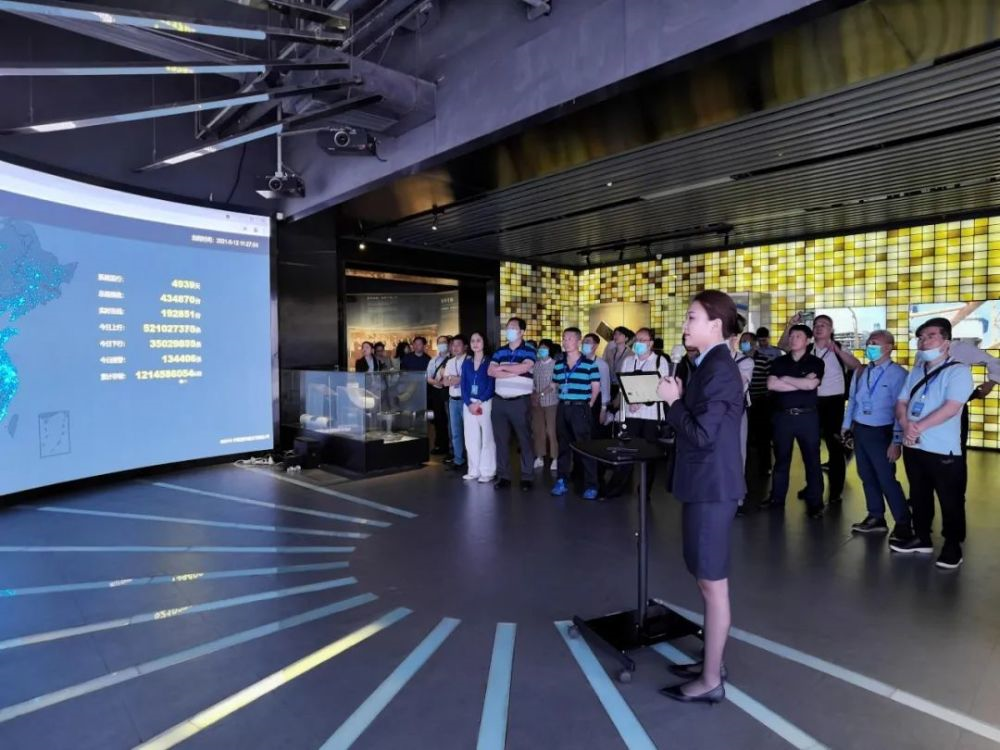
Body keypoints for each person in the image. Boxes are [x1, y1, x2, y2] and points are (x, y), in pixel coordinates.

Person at [656, 290, 745, 704]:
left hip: (712, 487)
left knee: (712, 583)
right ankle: (712, 661)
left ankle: (711, 680)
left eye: (692, 317)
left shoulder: (720, 370)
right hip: (703, 484)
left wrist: (673, 402)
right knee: (705, 577)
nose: (685, 324)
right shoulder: (707, 364)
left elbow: (702, 434)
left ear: (715, 324)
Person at [892, 318, 974, 569]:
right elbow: (901, 402)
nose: (924, 341)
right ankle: (922, 537)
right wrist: (905, 424)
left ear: (946, 341)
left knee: (950, 498)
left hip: (942, 448)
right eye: (920, 337)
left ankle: (952, 545)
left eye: (930, 336)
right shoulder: (917, 370)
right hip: (914, 445)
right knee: (919, 494)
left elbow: (951, 407)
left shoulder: (958, 371)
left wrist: (917, 427)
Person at [842, 331, 911, 540]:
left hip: (883, 432)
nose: (870, 346)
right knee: (866, 476)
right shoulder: (861, 371)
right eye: (869, 342)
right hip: (861, 430)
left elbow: (901, 410)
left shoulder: (898, 374)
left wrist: (896, 441)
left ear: (888, 347)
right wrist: (846, 426)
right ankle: (875, 516)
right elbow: (853, 400)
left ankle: (903, 523)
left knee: (886, 479)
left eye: (875, 343)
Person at [761, 323, 825, 517]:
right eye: (791, 336)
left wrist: (786, 379)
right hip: (783, 417)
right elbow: (771, 384)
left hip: (807, 417)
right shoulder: (780, 361)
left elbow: (811, 385)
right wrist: (801, 382)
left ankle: (815, 502)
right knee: (781, 460)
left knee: (812, 460)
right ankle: (777, 499)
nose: (793, 339)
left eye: (798, 336)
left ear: (808, 340)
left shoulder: (816, 362)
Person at [801, 314, 860, 504]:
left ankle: (836, 490)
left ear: (831, 329)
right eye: (816, 325)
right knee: (810, 446)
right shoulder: (807, 348)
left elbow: (856, 366)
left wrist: (837, 351)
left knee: (835, 448)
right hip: (810, 400)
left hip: (833, 403)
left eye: (824, 325)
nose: (819, 328)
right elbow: (784, 346)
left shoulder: (839, 348)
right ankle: (812, 486)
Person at [617, 327, 670, 498]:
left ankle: (644, 490)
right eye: (637, 340)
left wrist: (639, 401)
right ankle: (619, 487)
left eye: (643, 340)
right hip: (631, 414)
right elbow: (623, 385)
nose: (638, 343)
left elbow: (660, 386)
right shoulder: (628, 361)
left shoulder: (659, 361)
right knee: (627, 450)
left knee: (649, 453)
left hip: (650, 415)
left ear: (651, 343)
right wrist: (631, 401)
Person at [551, 327, 601, 500]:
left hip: (580, 408)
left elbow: (595, 387)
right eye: (564, 338)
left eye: (570, 339)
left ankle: (591, 485)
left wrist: (589, 404)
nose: (565, 342)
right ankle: (561, 480)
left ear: (578, 341)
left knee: (585, 447)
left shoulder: (589, 364)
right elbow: (555, 384)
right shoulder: (559, 364)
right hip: (563, 407)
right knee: (563, 446)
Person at [489, 317, 537, 490]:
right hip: (499, 401)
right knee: (501, 440)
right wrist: (513, 371)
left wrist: (502, 368)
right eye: (507, 327)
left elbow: (525, 367)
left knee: (524, 439)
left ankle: (527, 476)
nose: (508, 330)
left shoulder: (529, 350)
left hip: (520, 402)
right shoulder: (500, 351)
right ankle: (503, 476)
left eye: (513, 328)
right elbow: (491, 371)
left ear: (522, 332)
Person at [461, 332, 497, 483]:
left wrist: (479, 401)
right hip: (469, 404)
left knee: (487, 437)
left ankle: (487, 471)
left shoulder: (490, 361)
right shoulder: (467, 362)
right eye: (472, 341)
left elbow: (491, 385)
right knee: (471, 437)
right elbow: (463, 385)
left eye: (478, 340)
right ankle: (473, 470)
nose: (475, 343)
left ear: (484, 342)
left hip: (485, 403)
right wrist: (469, 403)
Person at [745, 333, 773, 482]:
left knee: (763, 437)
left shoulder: (764, 360)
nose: (743, 344)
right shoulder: (737, 359)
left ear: (754, 344)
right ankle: (747, 467)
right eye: (742, 341)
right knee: (746, 437)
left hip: (760, 402)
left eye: (747, 341)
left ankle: (765, 467)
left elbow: (770, 380)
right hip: (744, 404)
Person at [442, 335, 469, 473]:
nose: (455, 347)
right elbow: (445, 382)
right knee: (456, 432)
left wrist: (456, 379)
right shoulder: (450, 362)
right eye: (453, 345)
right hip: (453, 400)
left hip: (466, 400)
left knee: (469, 432)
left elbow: (467, 380)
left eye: (458, 344)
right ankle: (458, 460)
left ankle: (472, 460)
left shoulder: (469, 361)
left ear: (465, 347)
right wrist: (457, 379)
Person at [531, 339, 558, 471]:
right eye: (540, 348)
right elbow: (533, 382)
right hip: (537, 403)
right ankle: (539, 456)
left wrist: (540, 394)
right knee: (538, 430)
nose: (541, 350)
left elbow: (554, 384)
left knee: (551, 431)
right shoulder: (536, 364)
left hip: (551, 402)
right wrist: (534, 395)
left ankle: (555, 458)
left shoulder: (555, 364)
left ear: (549, 350)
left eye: (544, 348)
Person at [426, 335, 452, 456]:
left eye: (444, 342)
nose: (442, 345)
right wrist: (438, 383)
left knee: (449, 420)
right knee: (438, 419)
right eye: (440, 343)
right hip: (437, 392)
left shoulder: (452, 359)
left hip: (450, 392)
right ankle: (440, 445)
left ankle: (451, 447)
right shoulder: (433, 360)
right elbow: (428, 378)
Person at [584, 333, 613, 435]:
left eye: (588, 342)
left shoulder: (601, 364)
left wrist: (603, 409)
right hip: (581, 399)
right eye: (584, 342)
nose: (584, 344)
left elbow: (605, 387)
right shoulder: (579, 362)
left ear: (595, 345)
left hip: (596, 400)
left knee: (594, 430)